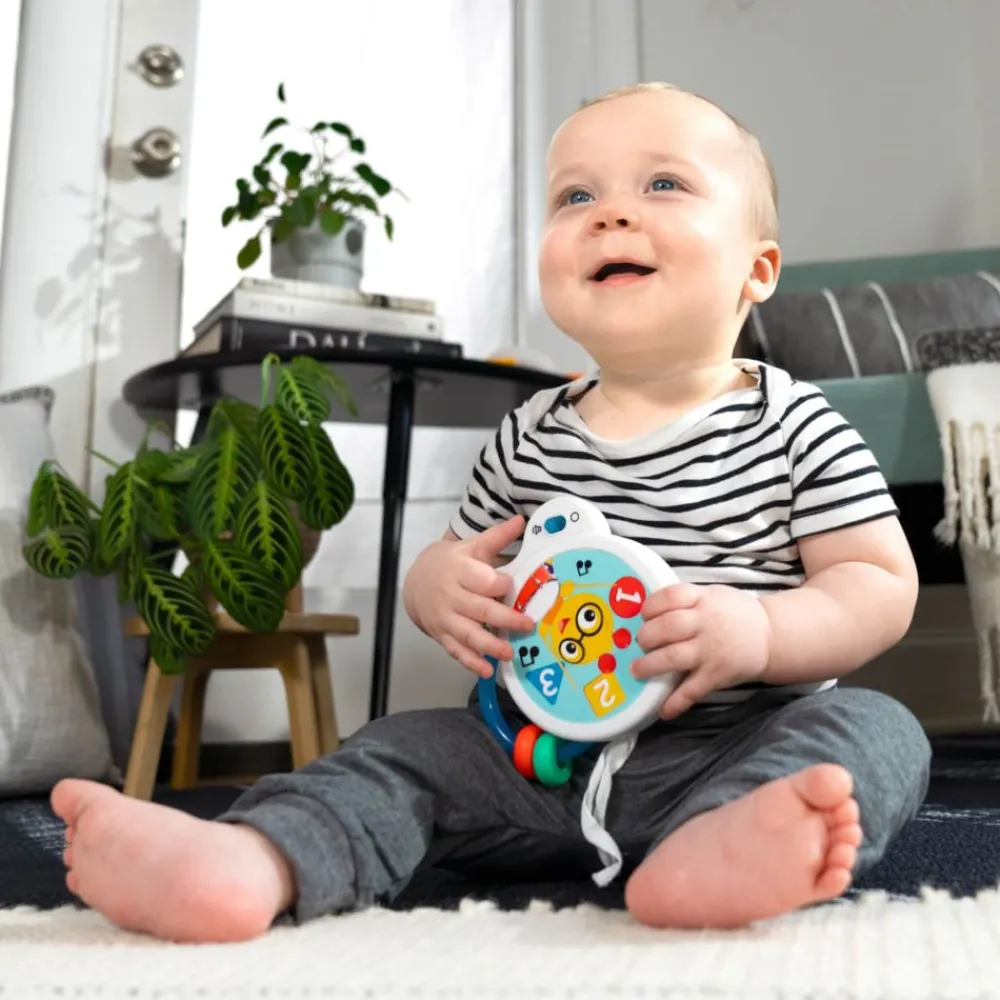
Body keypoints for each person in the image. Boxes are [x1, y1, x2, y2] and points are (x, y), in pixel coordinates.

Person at [50, 82, 930, 944]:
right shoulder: (529, 434)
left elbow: (877, 582)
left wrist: (765, 632)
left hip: (736, 742)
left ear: (757, 269)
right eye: (575, 195)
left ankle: (720, 846)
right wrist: (435, 586)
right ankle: (251, 861)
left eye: (663, 184)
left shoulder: (792, 423)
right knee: (400, 747)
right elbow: (461, 558)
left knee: (876, 732)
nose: (610, 214)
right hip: (534, 761)